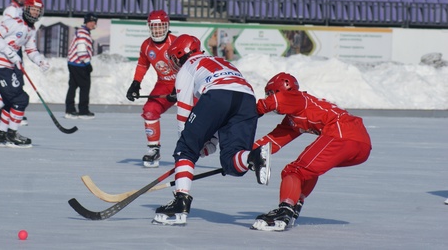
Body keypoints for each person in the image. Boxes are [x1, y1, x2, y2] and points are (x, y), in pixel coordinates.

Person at [152, 34, 270, 226]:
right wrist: (209, 144)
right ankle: (254, 157)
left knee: (185, 147)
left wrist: (190, 147)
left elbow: (184, 115)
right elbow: (218, 119)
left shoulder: (186, 69)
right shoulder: (221, 61)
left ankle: (181, 201)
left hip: (218, 94)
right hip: (247, 98)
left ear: (180, 54)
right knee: (232, 161)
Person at [251, 72, 372, 232]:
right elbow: (275, 139)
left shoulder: (297, 98)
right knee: (309, 170)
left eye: (270, 93)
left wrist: (251, 111)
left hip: (342, 134)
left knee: (294, 171)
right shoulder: (294, 117)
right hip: (361, 145)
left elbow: (276, 101)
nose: (269, 97)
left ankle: (284, 212)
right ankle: (293, 206)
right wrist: (249, 154)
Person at [0, 0, 50, 148]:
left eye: (37, 11)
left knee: (11, 101)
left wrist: (39, 61)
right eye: (33, 10)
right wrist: (10, 54)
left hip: (10, 66)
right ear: (26, 9)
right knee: (20, 99)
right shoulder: (13, 22)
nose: (35, 13)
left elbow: (31, 49)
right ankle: (12, 134)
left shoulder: (31, 29)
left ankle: (1, 135)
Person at [125, 10, 178, 168]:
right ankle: (153, 149)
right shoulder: (146, 45)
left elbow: (188, 66)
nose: (157, 31)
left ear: (167, 26)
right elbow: (142, 64)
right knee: (150, 109)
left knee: (197, 115)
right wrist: (135, 83)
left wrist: (179, 88)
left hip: (185, 83)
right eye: (154, 27)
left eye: (161, 27)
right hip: (163, 84)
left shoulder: (175, 42)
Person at [0, 0, 29, 125]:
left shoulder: (21, 9)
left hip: (16, 48)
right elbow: (6, 30)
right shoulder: (11, 10)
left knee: (14, 81)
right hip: (9, 49)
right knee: (12, 81)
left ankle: (1, 111)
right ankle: (2, 111)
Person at [65, 13, 97, 120]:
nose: (93, 24)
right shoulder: (83, 33)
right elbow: (82, 50)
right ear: (86, 22)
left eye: (94, 21)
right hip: (79, 64)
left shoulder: (82, 32)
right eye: (91, 21)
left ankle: (70, 110)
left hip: (73, 63)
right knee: (85, 86)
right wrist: (87, 63)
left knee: (73, 86)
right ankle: (83, 111)